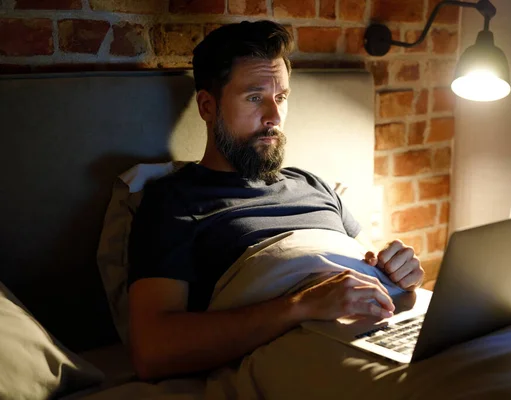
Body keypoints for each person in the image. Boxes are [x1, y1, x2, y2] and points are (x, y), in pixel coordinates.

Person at [127, 20, 424, 381]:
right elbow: (153, 350)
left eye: (280, 97)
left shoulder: (314, 185)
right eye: (255, 98)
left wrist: (399, 270)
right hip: (310, 350)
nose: (274, 117)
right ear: (207, 106)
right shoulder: (175, 201)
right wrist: (300, 306)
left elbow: (366, 272)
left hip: (388, 332)